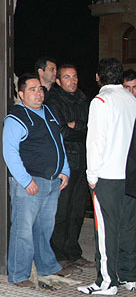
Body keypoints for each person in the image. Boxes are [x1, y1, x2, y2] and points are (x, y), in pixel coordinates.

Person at [2, 73, 75, 288]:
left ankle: (47, 266)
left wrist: (65, 170)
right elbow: (10, 152)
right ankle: (18, 274)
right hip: (30, 183)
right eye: (32, 89)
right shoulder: (16, 117)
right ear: (21, 94)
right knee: (22, 231)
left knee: (44, 228)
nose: (38, 93)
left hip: (52, 181)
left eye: (40, 89)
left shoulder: (49, 112)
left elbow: (59, 142)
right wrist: (25, 180)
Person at [78, 58, 136, 295]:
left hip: (108, 176)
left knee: (105, 230)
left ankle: (107, 281)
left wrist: (92, 175)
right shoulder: (131, 99)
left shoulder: (101, 101)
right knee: (128, 227)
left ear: (97, 77)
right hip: (130, 175)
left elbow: (95, 142)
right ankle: (130, 276)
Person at [45, 64, 93, 269]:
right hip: (64, 164)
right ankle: (58, 252)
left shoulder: (84, 99)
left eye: (74, 77)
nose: (72, 81)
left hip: (84, 162)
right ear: (58, 80)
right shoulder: (53, 101)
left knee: (77, 211)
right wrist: (80, 127)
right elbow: (61, 132)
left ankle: (73, 251)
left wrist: (77, 125)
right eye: (67, 77)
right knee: (61, 211)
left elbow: (93, 127)